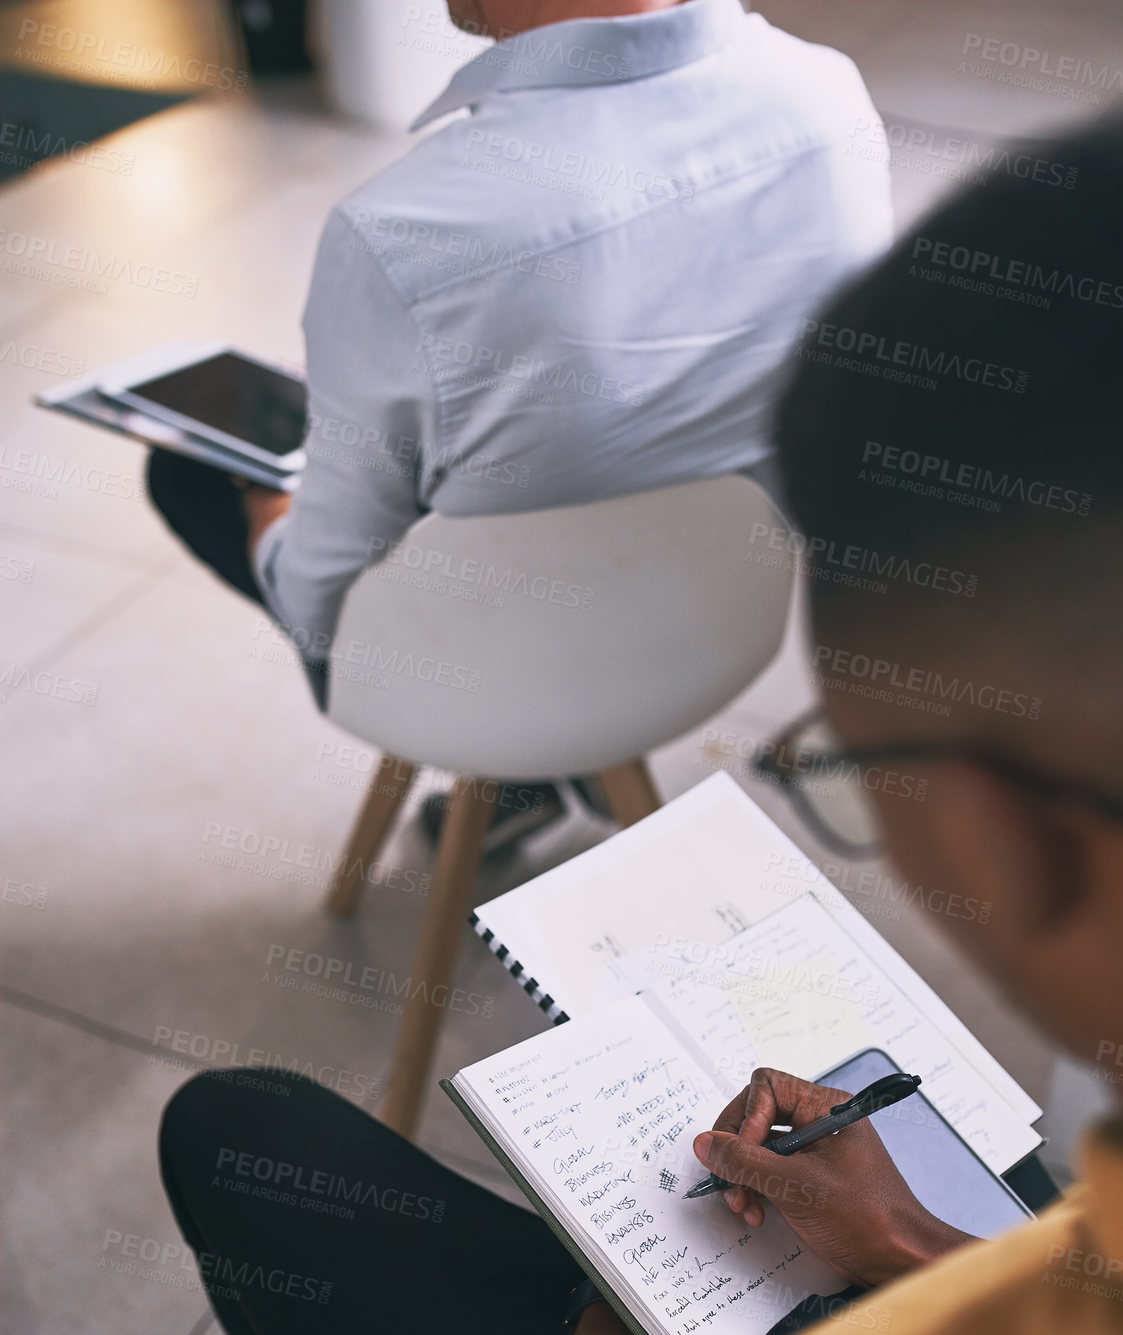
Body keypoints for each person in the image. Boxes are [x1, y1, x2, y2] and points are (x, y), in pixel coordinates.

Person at [157, 109, 1123, 1335]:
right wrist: (906, 1242)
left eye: (851, 761)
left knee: (240, 1129)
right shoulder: (815, 97)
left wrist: (617, 1326)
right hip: (926, 1232)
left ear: (1006, 832)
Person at [149, 0, 890, 835]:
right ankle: (540, 775)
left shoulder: (403, 228)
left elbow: (322, 603)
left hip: (492, 675)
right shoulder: (827, 96)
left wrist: (270, 508)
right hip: (716, 634)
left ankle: (527, 763)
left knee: (187, 467)